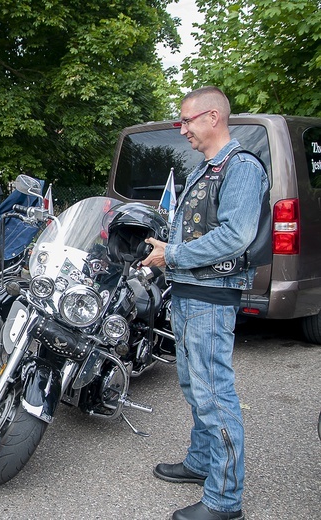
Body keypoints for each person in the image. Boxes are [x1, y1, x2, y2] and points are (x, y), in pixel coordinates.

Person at [143, 86, 270, 520]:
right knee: (193, 385)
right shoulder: (208, 169)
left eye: (186, 121)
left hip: (211, 297)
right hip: (189, 292)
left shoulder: (241, 168)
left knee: (214, 393)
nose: (182, 130)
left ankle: (224, 500)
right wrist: (164, 246)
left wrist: (172, 255)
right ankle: (201, 462)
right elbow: (196, 229)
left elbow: (236, 236)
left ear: (212, 117)